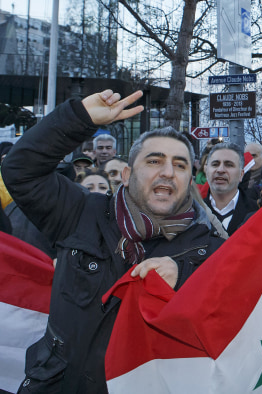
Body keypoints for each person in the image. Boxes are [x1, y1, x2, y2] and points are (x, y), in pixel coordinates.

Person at [2, 89, 225, 393]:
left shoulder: (210, 252)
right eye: (155, 161)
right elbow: (20, 170)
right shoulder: (80, 212)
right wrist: (78, 118)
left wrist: (185, 276)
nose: (168, 172)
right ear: (127, 173)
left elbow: (236, 307)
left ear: (190, 180)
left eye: (181, 165)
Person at [202, 142, 258, 235]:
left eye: (229, 165)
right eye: (215, 164)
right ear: (207, 171)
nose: (220, 170)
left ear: (241, 174)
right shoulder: (192, 214)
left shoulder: (257, 213)